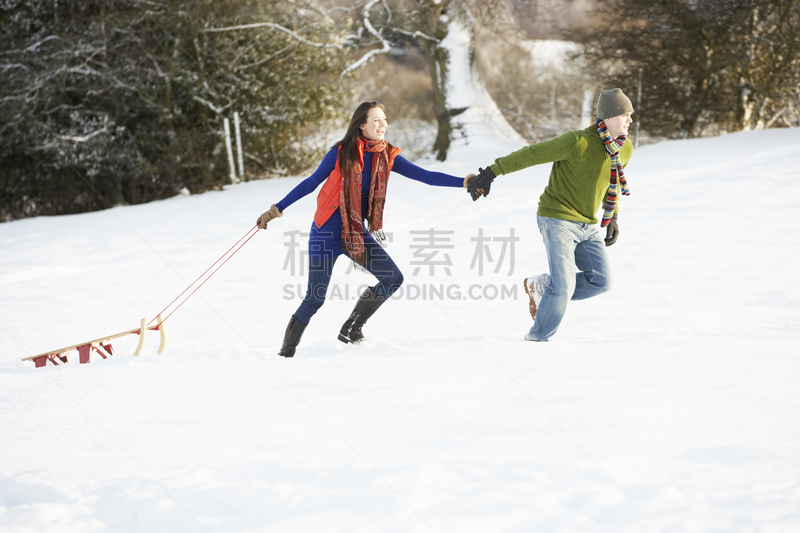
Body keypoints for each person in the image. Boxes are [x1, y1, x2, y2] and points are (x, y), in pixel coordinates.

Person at [257, 101, 473, 357]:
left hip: (356, 232)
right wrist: (276, 209)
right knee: (315, 298)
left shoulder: (386, 155)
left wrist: (464, 182)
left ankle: (351, 328)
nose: (383, 125)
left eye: (384, 120)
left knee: (393, 278)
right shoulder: (339, 153)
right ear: (362, 125)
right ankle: (286, 352)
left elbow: (423, 176)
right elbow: (312, 182)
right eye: (377, 121)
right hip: (325, 234)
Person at [467, 88, 634, 342]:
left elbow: (612, 183)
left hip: (587, 224)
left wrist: (613, 216)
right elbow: (531, 154)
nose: (630, 120)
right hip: (557, 217)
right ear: (608, 117)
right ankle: (536, 340)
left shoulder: (624, 149)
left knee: (602, 281)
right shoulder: (577, 142)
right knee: (563, 285)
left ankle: (542, 287)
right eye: (625, 114)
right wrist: (491, 172)